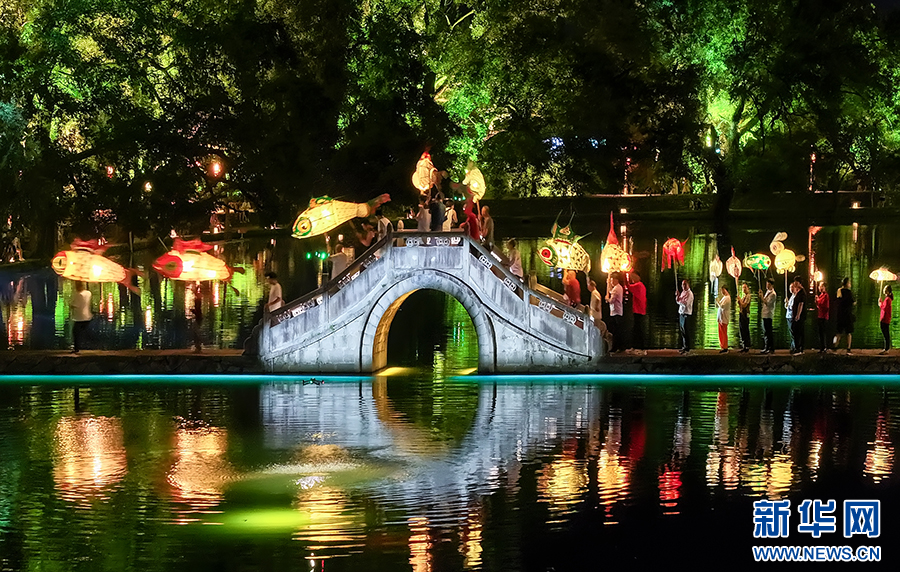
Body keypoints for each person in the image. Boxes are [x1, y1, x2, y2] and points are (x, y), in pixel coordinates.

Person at [68, 280, 92, 353]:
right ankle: (85, 346)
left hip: (80, 317)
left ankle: (76, 349)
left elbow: (75, 305)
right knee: (83, 332)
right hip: (88, 316)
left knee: (76, 333)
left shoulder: (79, 295)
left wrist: (71, 304)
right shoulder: (88, 293)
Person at [833, 277, 855, 354]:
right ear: (847, 283)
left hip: (840, 314)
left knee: (838, 333)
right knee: (848, 333)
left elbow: (838, 300)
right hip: (847, 314)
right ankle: (848, 348)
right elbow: (852, 302)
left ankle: (835, 346)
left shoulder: (839, 291)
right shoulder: (849, 292)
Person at [605, 272, 624, 352]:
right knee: (617, 330)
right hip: (617, 311)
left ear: (616, 280)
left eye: (612, 281)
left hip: (616, 311)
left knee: (616, 331)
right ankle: (618, 347)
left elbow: (611, 300)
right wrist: (608, 283)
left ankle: (616, 347)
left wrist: (607, 299)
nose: (612, 282)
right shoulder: (618, 287)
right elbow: (610, 291)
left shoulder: (616, 289)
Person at [629, 272, 647, 354]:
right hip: (639, 310)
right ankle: (636, 346)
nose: (632, 279)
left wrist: (624, 277)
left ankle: (640, 347)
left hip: (638, 310)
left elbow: (628, 287)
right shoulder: (641, 285)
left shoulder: (639, 285)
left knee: (637, 329)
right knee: (637, 328)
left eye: (633, 277)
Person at [758, 279, 776, 354]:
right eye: (767, 284)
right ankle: (767, 347)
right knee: (765, 331)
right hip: (765, 314)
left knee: (768, 332)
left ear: (772, 285)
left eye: (768, 284)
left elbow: (767, 303)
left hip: (768, 314)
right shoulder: (768, 292)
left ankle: (769, 348)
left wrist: (761, 297)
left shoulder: (773, 294)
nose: (767, 286)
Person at [676, 279, 694, 354]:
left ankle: (687, 347)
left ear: (688, 285)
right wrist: (677, 297)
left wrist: (679, 301)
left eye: (685, 284)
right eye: (682, 285)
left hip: (686, 313)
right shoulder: (683, 292)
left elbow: (685, 303)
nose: (683, 286)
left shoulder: (690, 294)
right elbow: (678, 301)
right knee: (682, 330)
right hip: (681, 313)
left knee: (686, 330)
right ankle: (684, 346)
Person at [716, 285, 731, 353]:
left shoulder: (727, 298)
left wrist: (718, 302)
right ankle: (722, 345)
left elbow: (722, 306)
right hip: (721, 318)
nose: (722, 292)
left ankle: (725, 346)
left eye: (723, 290)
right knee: (721, 332)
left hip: (724, 318)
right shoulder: (724, 297)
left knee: (723, 332)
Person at [815, 281, 830, 352]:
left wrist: (818, 301)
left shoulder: (825, 295)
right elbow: (818, 305)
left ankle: (824, 347)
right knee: (820, 332)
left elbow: (825, 306)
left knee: (823, 332)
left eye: (821, 286)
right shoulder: (821, 295)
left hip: (823, 316)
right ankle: (822, 347)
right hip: (820, 315)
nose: (819, 287)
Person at [737, 282, 751, 352]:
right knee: (742, 330)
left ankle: (747, 345)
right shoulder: (744, 296)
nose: (744, 289)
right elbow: (741, 305)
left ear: (748, 288)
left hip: (745, 315)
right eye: (743, 287)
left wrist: (740, 300)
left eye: (745, 287)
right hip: (742, 314)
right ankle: (744, 345)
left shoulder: (748, 296)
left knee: (745, 329)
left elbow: (744, 305)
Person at [879, 284, 893, 354]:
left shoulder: (888, 299)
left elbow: (884, 308)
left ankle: (887, 348)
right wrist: (881, 303)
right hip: (884, 318)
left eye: (885, 289)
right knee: (885, 333)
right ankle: (886, 348)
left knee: (886, 333)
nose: (883, 290)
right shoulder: (887, 299)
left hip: (885, 318)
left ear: (887, 291)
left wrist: (880, 304)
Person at [190, 283, 203, 353]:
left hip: (198, 317)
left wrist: (193, 311)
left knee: (196, 332)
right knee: (196, 332)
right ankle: (197, 346)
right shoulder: (198, 299)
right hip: (198, 317)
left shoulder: (198, 300)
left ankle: (198, 347)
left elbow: (197, 310)